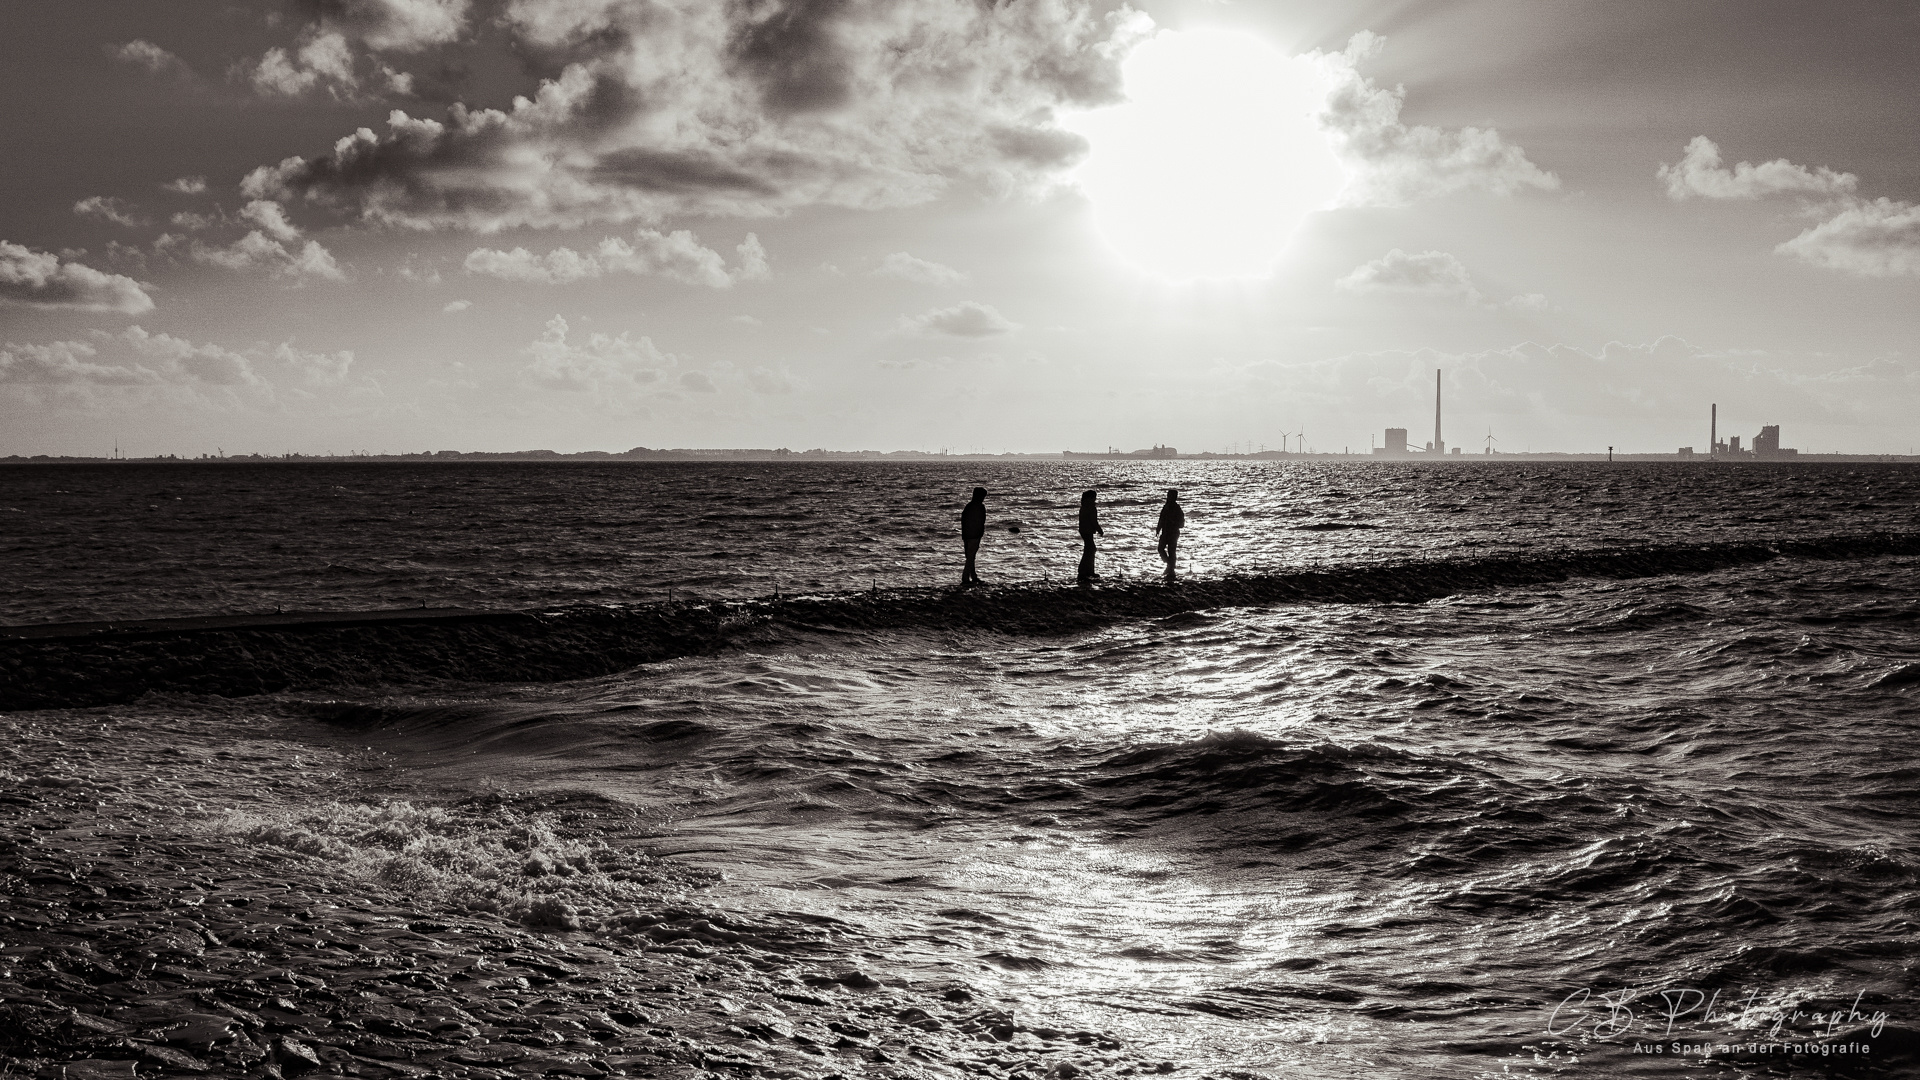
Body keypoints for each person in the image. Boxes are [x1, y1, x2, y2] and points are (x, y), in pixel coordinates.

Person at [960, 486, 987, 587]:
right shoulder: (979, 507)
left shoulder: (969, 506)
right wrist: (980, 532)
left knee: (970, 556)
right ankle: (966, 577)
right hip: (974, 535)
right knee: (971, 557)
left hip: (967, 534)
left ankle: (973, 576)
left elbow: (963, 520)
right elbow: (981, 522)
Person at [1155, 488, 1184, 579]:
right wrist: (1158, 529)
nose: (1169, 497)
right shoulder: (1166, 507)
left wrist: (1173, 522)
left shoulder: (1177, 508)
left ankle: (1171, 568)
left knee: (1172, 551)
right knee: (1160, 548)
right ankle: (1169, 564)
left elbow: (1181, 524)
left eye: (1171, 496)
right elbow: (1161, 518)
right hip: (1165, 532)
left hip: (1173, 533)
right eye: (1168, 495)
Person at [1076, 489, 1103, 584]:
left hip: (1084, 530)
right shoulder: (1091, 507)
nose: (1095, 499)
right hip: (1087, 530)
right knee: (1090, 549)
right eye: (1094, 497)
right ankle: (1085, 571)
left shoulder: (1083, 507)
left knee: (1090, 549)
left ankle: (1087, 571)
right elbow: (1094, 521)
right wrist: (1099, 529)